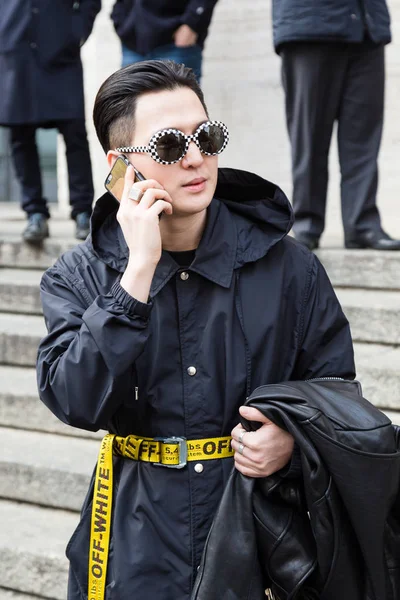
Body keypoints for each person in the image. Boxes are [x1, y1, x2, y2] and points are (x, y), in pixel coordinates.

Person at [36, 60, 355, 599]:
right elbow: (75, 400)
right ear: (120, 168)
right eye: (167, 145)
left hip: (259, 535)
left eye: (206, 136)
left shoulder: (290, 269)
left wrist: (293, 440)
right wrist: (136, 275)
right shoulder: (80, 275)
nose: (195, 157)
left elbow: (337, 392)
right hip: (134, 542)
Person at [272, 0, 400, 250]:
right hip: (309, 24)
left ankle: (362, 225)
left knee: (363, 139)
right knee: (309, 137)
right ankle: (307, 226)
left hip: (366, 26)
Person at [0, 0, 101, 243]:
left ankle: (82, 211)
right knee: (20, 137)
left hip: (60, 52)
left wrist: (76, 30)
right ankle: (35, 213)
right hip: (15, 50)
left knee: (74, 133)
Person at [110, 0, 219, 80]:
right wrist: (120, 19)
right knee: (130, 106)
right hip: (133, 40)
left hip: (174, 40)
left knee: (178, 105)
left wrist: (192, 23)